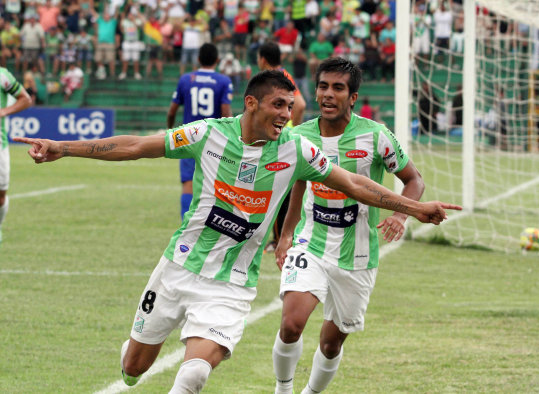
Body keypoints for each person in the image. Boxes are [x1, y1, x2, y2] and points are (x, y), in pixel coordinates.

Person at [15, 70, 460, 393]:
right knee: (133, 367)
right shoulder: (207, 134)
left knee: (191, 375)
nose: (287, 115)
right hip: (176, 268)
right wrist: (63, 147)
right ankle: (137, 352)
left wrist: (413, 207)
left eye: (290, 106)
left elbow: (356, 183)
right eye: (278, 106)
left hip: (230, 285)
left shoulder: (295, 150)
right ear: (252, 104)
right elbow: (136, 145)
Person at [271, 57, 425, 394]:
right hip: (310, 242)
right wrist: (285, 237)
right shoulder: (299, 136)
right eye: (323, 86)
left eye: (338, 88)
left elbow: (414, 180)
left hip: (357, 255)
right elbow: (297, 185)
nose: (328, 94)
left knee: (330, 344)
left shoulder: (376, 136)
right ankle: (283, 389)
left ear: (352, 97)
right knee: (292, 324)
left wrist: (400, 216)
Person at [167, 43, 233, 220]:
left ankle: (185, 222)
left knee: (188, 182)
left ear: (198, 59)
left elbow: (172, 111)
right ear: (217, 60)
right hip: (214, 138)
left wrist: (170, 130)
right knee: (216, 182)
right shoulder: (223, 81)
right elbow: (226, 113)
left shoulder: (185, 79)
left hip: (189, 137)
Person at [257, 41, 306, 251]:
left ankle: (279, 240)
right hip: (283, 134)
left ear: (263, 60)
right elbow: (300, 105)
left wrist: (290, 129)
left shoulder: (273, 79)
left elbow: (301, 104)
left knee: (277, 188)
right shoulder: (285, 75)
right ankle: (279, 237)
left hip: (278, 137)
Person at [0, 67, 33, 245]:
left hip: (0, 144)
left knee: (1, 195)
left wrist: (3, 112)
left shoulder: (2, 75)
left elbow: (25, 99)